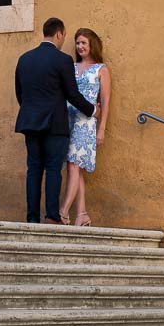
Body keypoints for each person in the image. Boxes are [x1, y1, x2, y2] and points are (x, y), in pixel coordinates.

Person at [15, 17, 96, 224]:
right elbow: (72, 94)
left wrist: (32, 111)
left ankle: (32, 218)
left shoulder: (24, 59)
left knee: (33, 169)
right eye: (64, 36)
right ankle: (52, 216)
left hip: (30, 122)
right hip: (54, 124)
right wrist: (92, 109)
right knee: (52, 169)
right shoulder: (63, 60)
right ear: (59, 34)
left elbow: (20, 94)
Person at [60, 27, 111, 227]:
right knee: (76, 168)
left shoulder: (101, 69)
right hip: (68, 121)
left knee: (73, 165)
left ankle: (63, 212)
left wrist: (102, 129)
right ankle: (82, 214)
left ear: (92, 46)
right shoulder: (71, 67)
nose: (80, 46)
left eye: (84, 43)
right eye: (78, 43)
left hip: (86, 124)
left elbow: (105, 102)